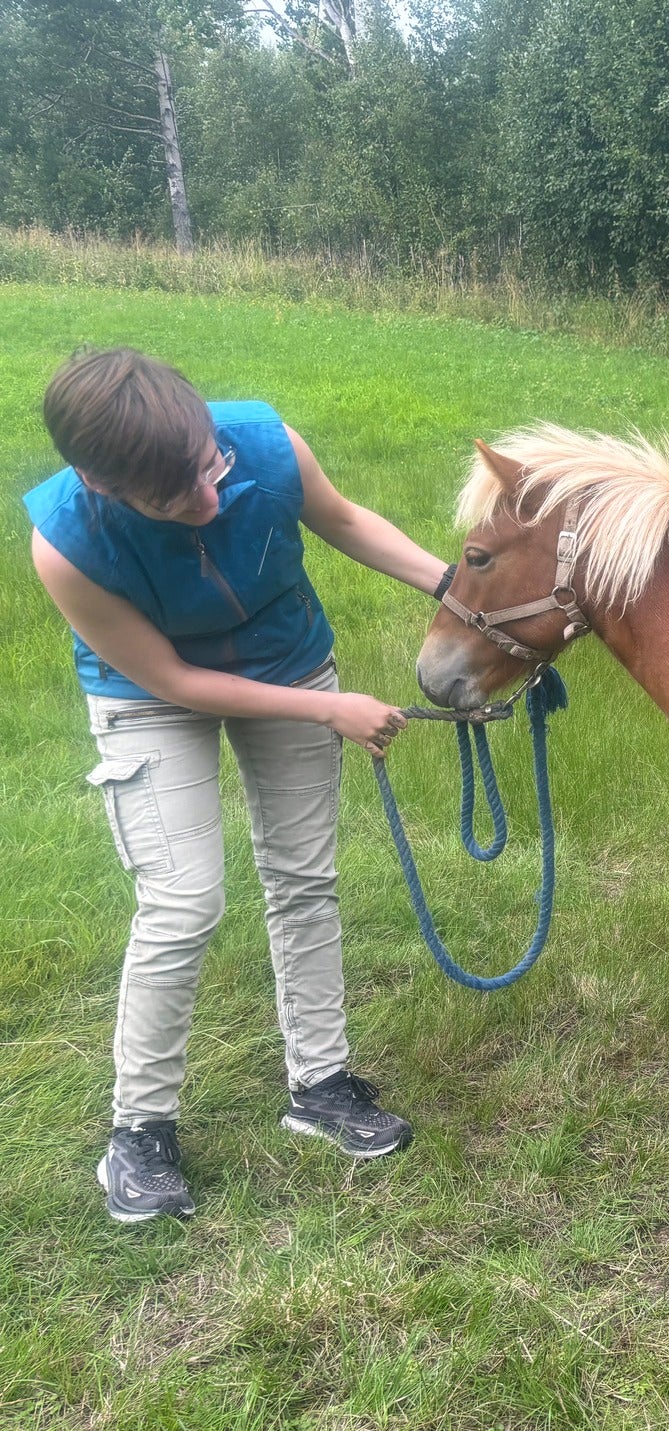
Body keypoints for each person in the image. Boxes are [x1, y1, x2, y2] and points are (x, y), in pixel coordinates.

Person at [24, 348, 457, 1224]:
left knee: (305, 881)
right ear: (99, 482)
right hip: (146, 696)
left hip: (290, 662)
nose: (211, 501)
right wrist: (331, 712)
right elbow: (177, 684)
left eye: (208, 467)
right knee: (183, 903)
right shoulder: (65, 544)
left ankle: (322, 1086)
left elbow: (346, 521)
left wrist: (462, 592)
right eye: (176, 497)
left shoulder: (263, 443)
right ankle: (138, 1135)